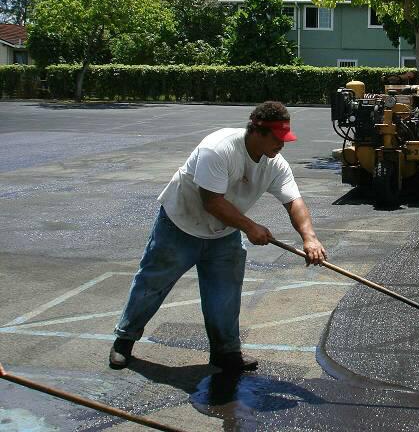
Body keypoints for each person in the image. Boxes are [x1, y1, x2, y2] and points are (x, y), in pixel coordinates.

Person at [109, 101, 327, 372]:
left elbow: (294, 201)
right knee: (153, 282)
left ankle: (225, 352)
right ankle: (124, 340)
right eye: (277, 138)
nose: (282, 145)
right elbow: (211, 202)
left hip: (224, 233)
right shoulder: (219, 148)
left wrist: (310, 237)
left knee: (224, 293)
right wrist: (250, 226)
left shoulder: (274, 164)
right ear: (257, 131)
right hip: (181, 224)